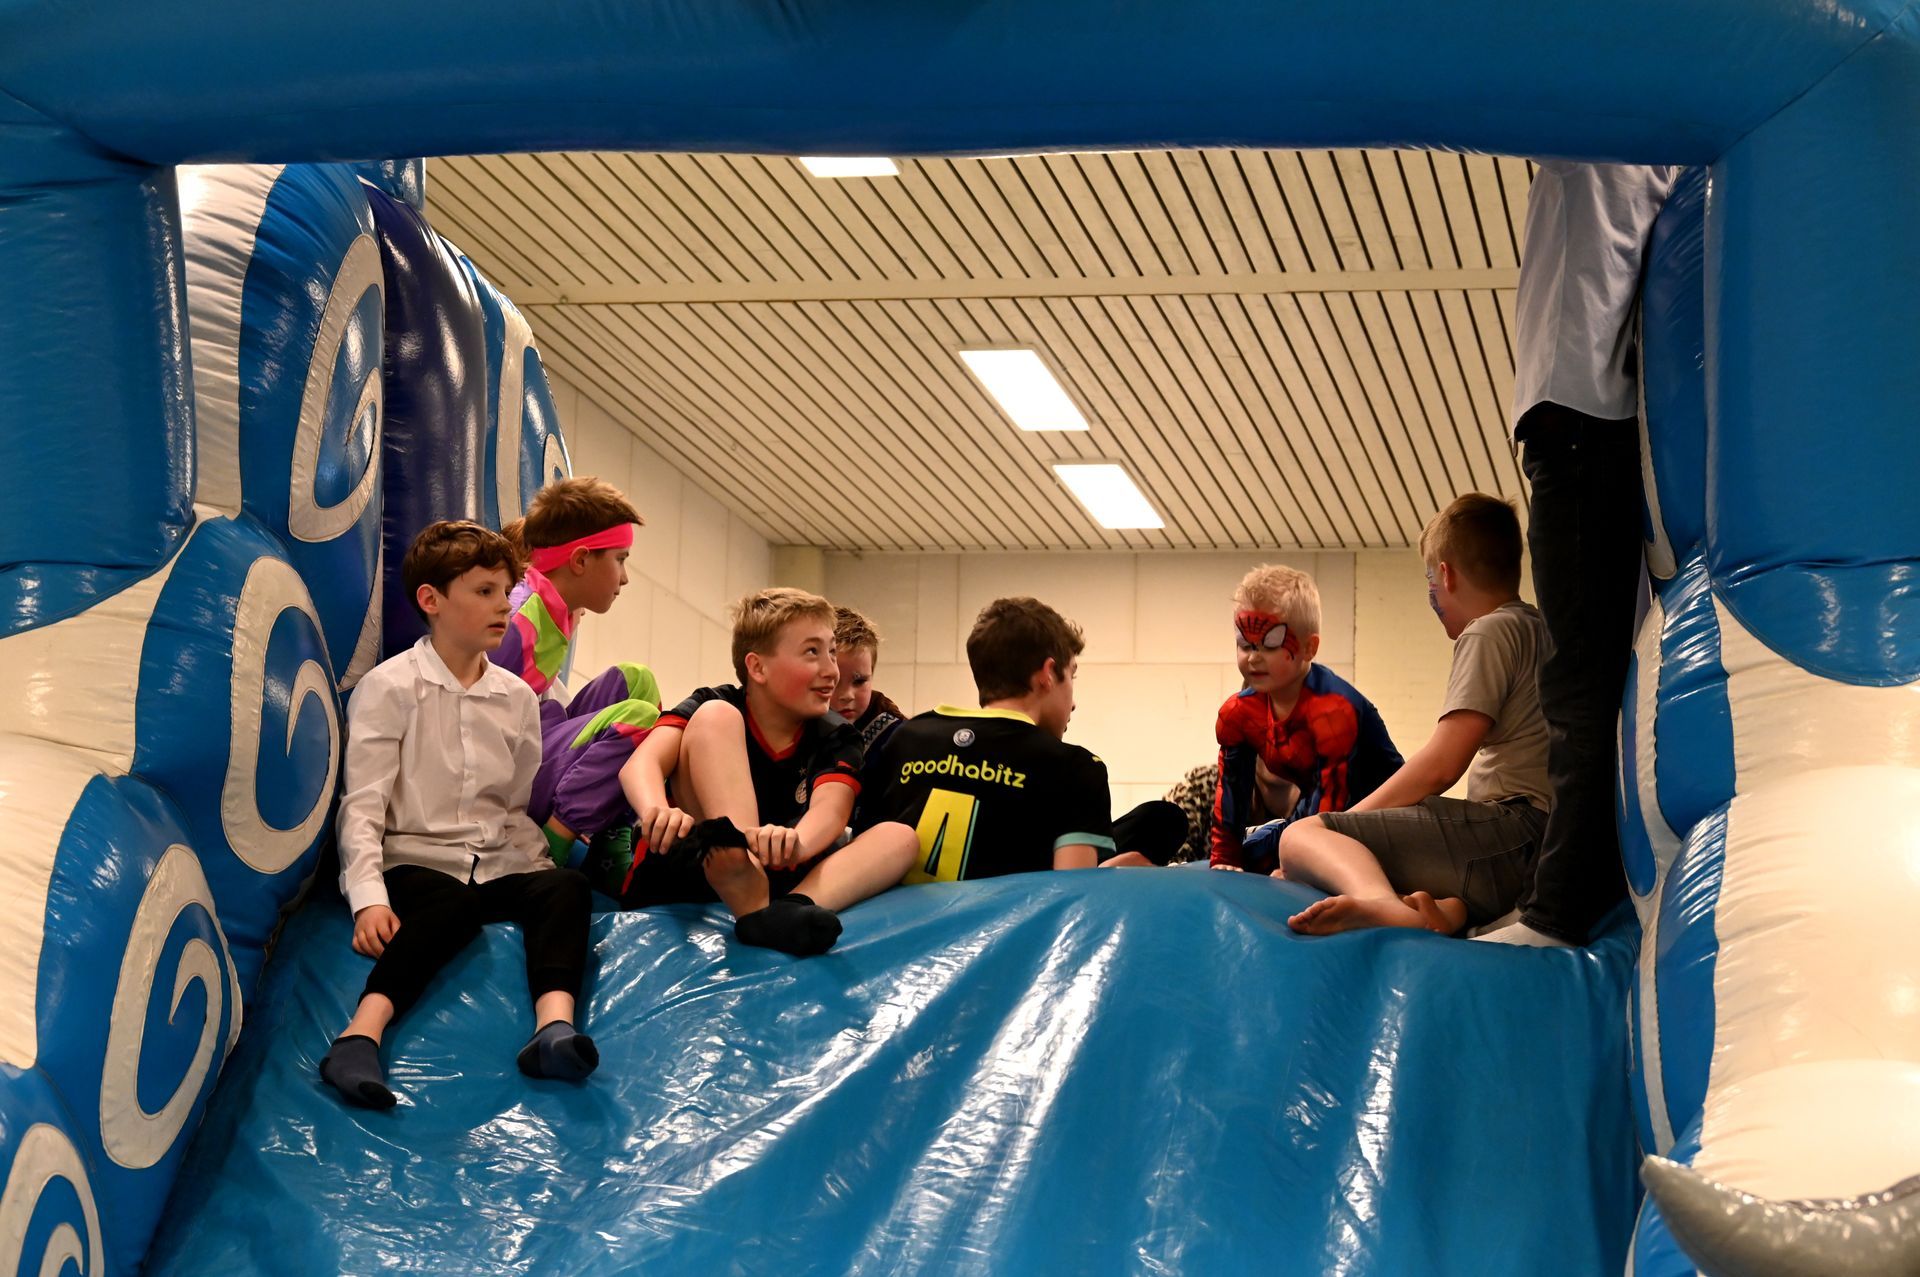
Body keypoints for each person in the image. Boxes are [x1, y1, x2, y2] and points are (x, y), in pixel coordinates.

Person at [321, 521, 597, 1110]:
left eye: (507, 591)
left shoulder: (517, 699)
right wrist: (367, 898)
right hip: (414, 861)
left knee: (567, 887)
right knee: (452, 904)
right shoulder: (390, 688)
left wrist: (540, 872)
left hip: (491, 864)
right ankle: (359, 1035)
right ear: (432, 600)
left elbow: (512, 808)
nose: (504, 606)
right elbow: (363, 805)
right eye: (485, 591)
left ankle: (553, 1028)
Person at [1496, 161, 1679, 947]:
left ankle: (1565, 904)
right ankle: (1585, 887)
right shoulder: (1637, 154)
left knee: (1580, 676)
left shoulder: (1596, 146)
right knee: (1593, 669)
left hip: (1577, 418)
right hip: (1590, 417)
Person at [1278, 495, 1550, 936]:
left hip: (1512, 834)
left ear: (1445, 574)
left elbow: (1441, 765)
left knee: (1300, 837)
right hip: (1529, 855)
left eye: (1430, 580)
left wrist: (1345, 826)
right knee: (1437, 893)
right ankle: (1441, 912)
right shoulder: (1537, 627)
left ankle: (1380, 902)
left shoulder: (1489, 630)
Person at [615, 588, 916, 955]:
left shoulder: (836, 734)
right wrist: (656, 809)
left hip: (776, 879)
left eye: (831, 652)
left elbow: (831, 808)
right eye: (812, 652)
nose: (831, 671)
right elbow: (640, 764)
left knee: (900, 837)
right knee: (715, 718)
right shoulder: (716, 703)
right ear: (757, 668)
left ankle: (787, 908)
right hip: (697, 868)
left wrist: (796, 842)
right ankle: (746, 877)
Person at [858, 596, 1120, 881]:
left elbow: (860, 855)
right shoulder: (1078, 768)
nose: (1073, 703)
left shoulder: (907, 738)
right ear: (1047, 674)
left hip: (899, 912)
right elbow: (1072, 895)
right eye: (1071, 676)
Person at [494, 476, 663, 871]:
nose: (625, 577)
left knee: (636, 680)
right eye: (620, 559)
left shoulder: (554, 611)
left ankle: (612, 835)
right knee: (639, 719)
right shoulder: (520, 618)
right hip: (508, 778)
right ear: (581, 560)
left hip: (533, 747)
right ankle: (554, 842)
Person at [1210, 564, 1402, 873]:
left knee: (1292, 853)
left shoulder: (1332, 710)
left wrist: (1300, 867)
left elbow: (1334, 803)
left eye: (1271, 644)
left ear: (1309, 648)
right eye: (1244, 644)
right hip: (1318, 812)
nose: (1254, 657)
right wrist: (1225, 859)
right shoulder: (1239, 713)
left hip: (1386, 820)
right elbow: (1232, 789)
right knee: (1250, 856)